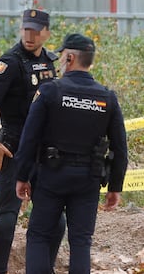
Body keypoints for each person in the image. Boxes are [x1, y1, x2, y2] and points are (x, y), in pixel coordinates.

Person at [15, 33, 128, 274]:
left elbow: (29, 138)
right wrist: (115, 187)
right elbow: (120, 147)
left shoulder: (49, 92)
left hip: (51, 177)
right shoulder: (107, 98)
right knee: (80, 242)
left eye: (62, 57)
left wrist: (22, 176)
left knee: (39, 236)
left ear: (70, 57)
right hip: (88, 179)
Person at [0, 9, 65, 274]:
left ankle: (44, 268)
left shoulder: (49, 60)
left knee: (56, 220)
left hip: (43, 150)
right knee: (7, 217)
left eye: (36, 31)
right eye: (26, 29)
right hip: (12, 148)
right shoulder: (9, 63)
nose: (30, 35)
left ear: (47, 32)